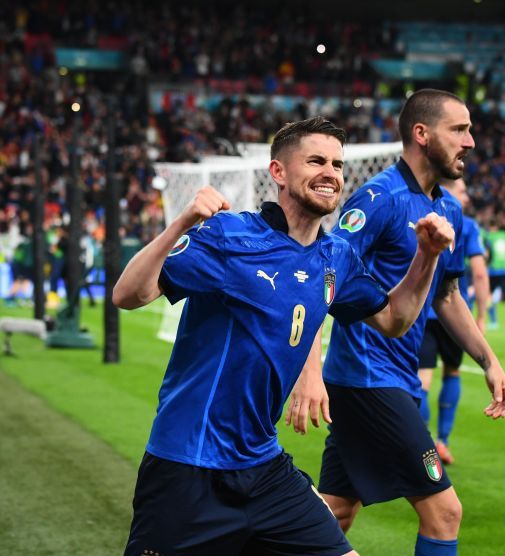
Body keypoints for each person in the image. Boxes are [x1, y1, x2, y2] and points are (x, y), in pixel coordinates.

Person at [113, 116, 457, 555]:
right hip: (189, 468)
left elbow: (394, 320)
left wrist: (425, 257)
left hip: (265, 468)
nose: (330, 173)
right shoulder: (229, 236)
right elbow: (128, 294)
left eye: (336, 163)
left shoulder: (337, 257)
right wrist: (181, 223)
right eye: (316, 160)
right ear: (278, 172)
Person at [292, 89, 505, 556]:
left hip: (394, 378)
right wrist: (309, 370)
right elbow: (321, 277)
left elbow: (447, 295)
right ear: (421, 134)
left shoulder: (448, 208)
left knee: (336, 510)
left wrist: (488, 361)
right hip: (367, 380)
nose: (471, 141)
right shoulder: (378, 199)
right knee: (445, 511)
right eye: (460, 129)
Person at [417, 177, 490, 466]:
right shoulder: (467, 225)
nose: (467, 197)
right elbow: (480, 273)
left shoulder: (420, 220)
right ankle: (442, 441)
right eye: (462, 191)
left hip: (421, 311)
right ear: (446, 191)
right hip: (453, 314)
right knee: (452, 372)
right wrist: (482, 315)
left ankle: (422, 445)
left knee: (422, 379)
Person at [484, 221, 505, 330]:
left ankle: (493, 321)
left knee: (488, 295)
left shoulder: (489, 237)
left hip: (494, 270)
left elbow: (487, 253)